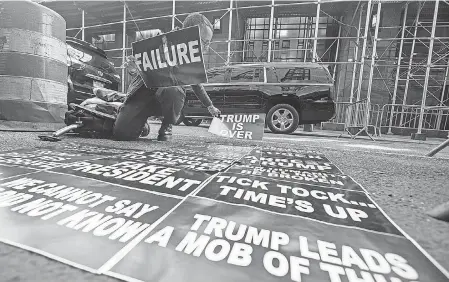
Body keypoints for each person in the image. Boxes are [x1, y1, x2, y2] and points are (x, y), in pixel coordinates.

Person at [113, 13, 221, 141]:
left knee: (172, 89)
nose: (206, 48)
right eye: (204, 42)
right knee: (121, 134)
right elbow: (141, 74)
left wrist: (210, 105)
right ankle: (138, 121)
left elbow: (196, 84)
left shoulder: (191, 57)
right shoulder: (160, 42)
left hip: (166, 97)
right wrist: (133, 69)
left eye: (208, 43)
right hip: (143, 95)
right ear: (189, 33)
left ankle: (167, 124)